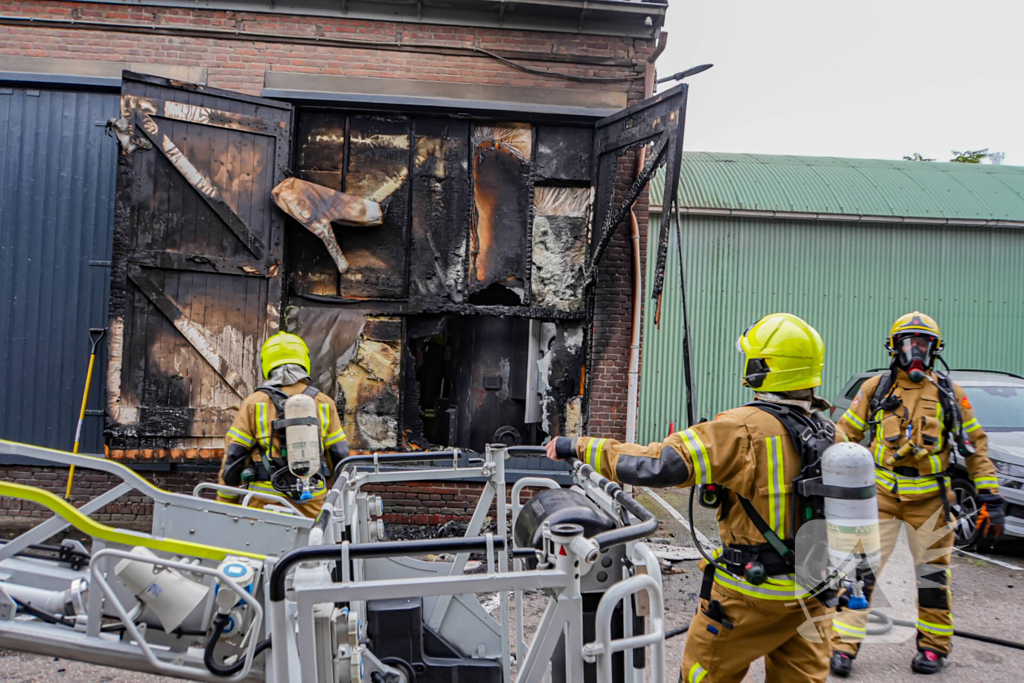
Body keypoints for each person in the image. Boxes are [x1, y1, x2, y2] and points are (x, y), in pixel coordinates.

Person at [547, 313, 844, 683]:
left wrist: (576, 445)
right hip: (813, 592)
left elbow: (654, 465)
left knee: (704, 674)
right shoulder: (833, 433)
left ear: (762, 369)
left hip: (749, 596)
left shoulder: (743, 428)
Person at [828, 312, 1003, 676]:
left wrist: (990, 496)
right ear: (895, 348)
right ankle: (842, 647)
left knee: (933, 578)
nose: (915, 352)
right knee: (859, 572)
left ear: (935, 350)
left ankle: (934, 649)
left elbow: (974, 448)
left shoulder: (949, 394)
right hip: (879, 498)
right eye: (909, 344)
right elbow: (845, 434)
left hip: (930, 503)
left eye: (923, 345)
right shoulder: (876, 389)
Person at [216, 332, 349, 518]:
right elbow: (339, 455)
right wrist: (339, 500)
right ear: (303, 361)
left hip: (263, 503)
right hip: (312, 503)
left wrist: (225, 503)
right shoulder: (324, 403)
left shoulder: (254, 403)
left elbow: (235, 457)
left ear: (267, 363)